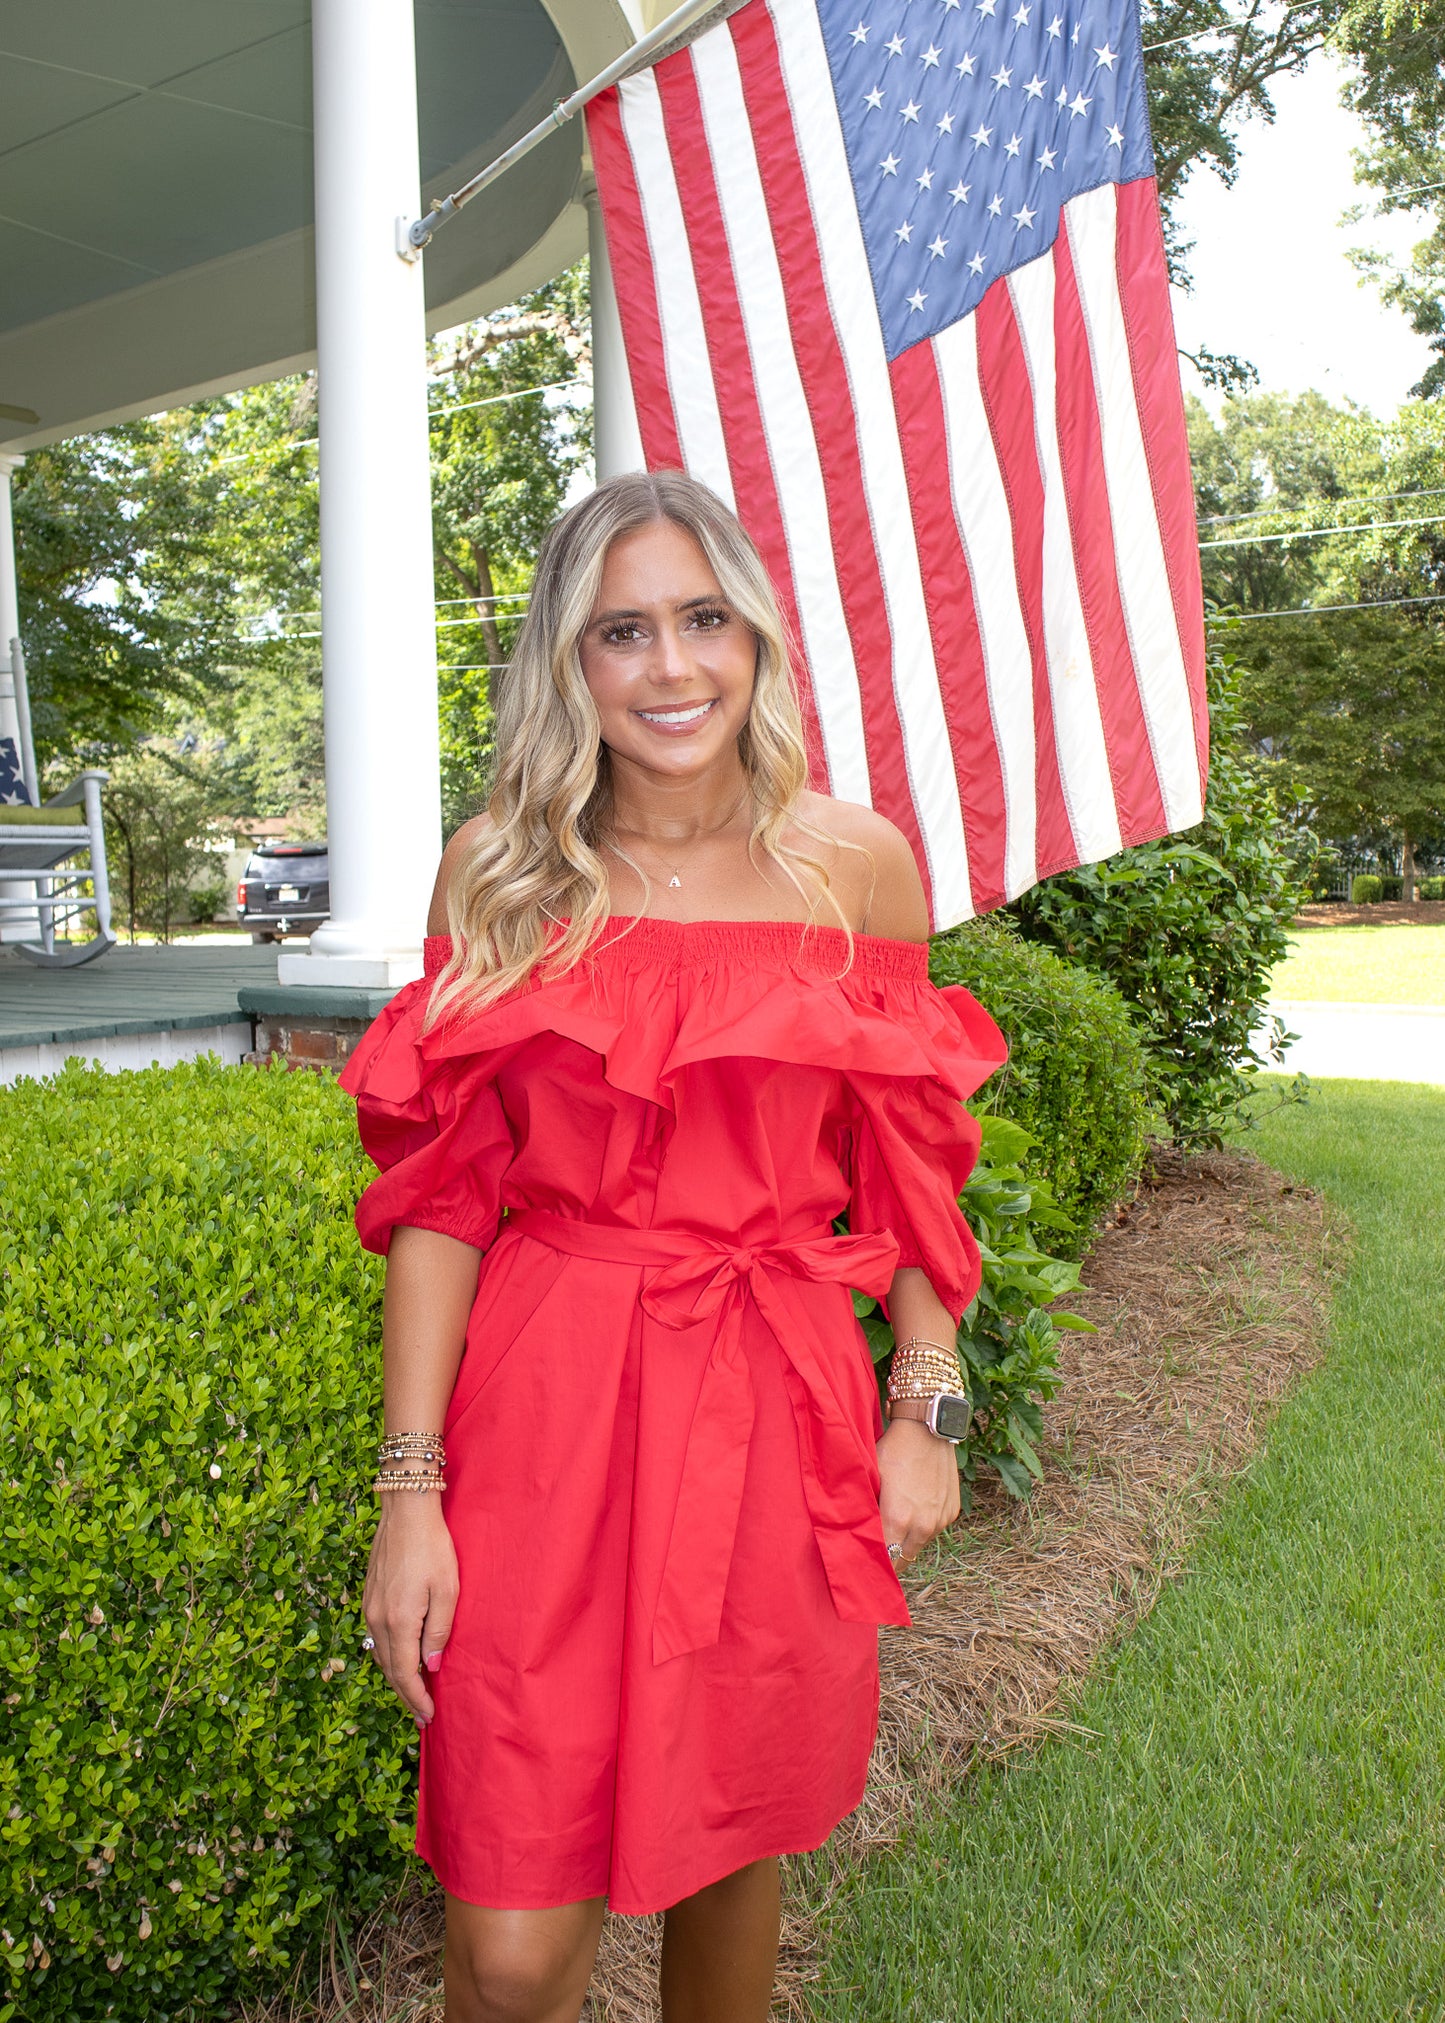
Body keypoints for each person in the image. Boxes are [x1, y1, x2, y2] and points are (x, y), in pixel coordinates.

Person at [341, 470, 1006, 2023]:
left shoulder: (853, 869)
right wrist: (409, 1493)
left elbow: (909, 1165)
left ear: (756, 637)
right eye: (619, 631)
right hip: (550, 1395)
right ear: (566, 666)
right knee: (509, 1955)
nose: (671, 669)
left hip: (777, 1396)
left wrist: (926, 1413)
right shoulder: (503, 867)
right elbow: (441, 1198)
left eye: (703, 620)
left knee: (732, 1832)